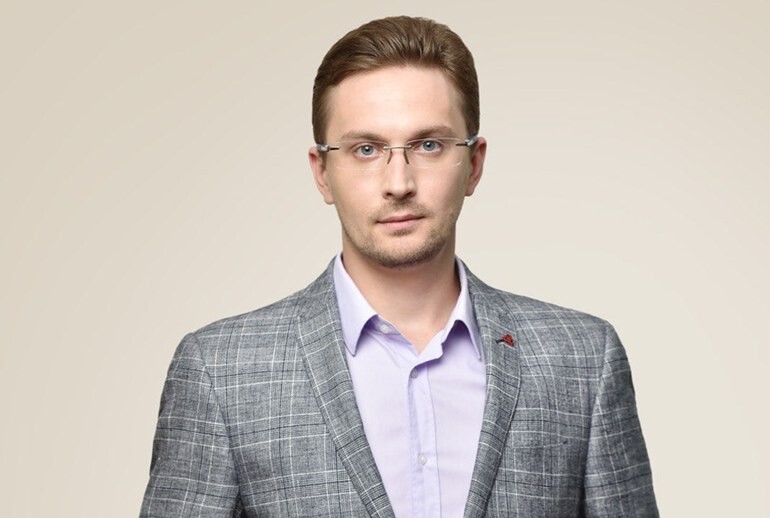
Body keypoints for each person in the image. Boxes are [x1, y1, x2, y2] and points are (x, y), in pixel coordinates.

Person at [141, 16, 658, 518]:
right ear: (322, 173)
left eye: (428, 145)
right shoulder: (221, 372)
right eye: (366, 149)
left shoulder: (583, 360)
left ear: (474, 164)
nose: (398, 183)